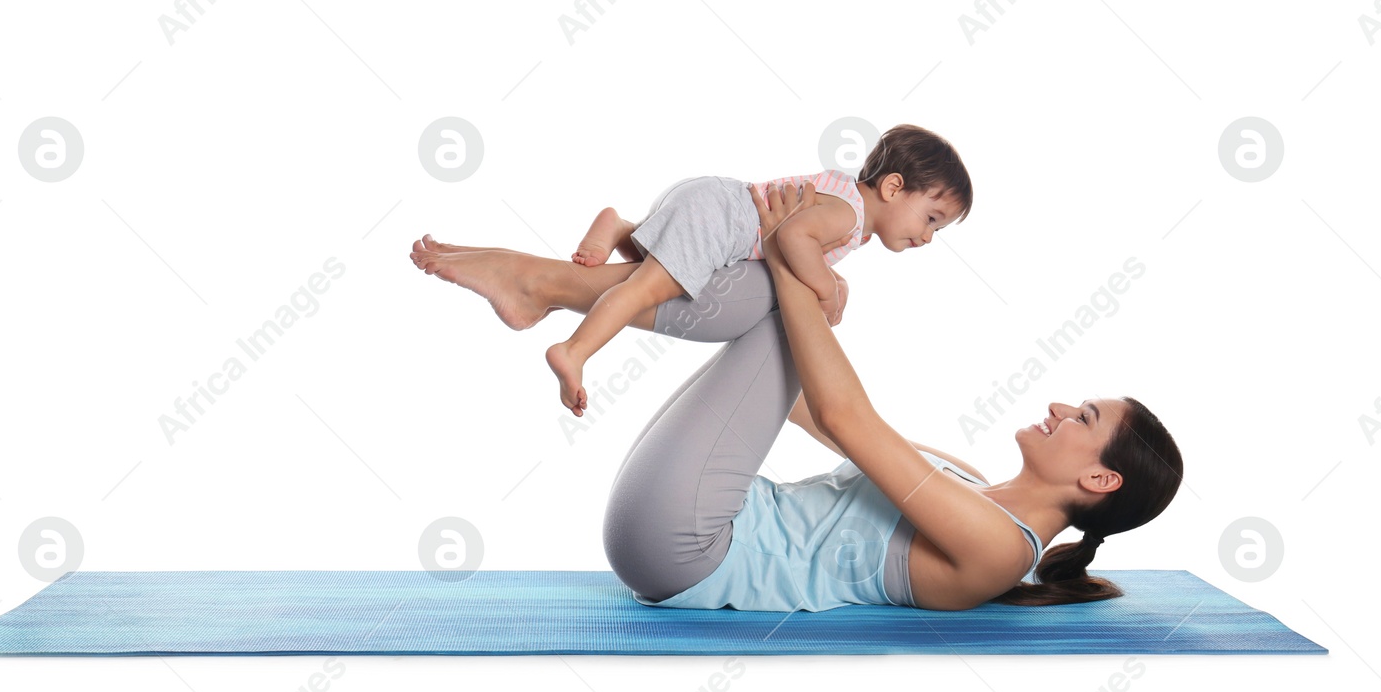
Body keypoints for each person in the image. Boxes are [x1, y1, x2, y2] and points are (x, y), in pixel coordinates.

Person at [407, 183, 1184, 611]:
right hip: (688, 516)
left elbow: (846, 413)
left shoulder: (998, 549)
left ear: (1100, 479)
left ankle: (548, 286)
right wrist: (797, 275)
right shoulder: (967, 479)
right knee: (765, 295)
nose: (1059, 407)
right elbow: (815, 408)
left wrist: (795, 260)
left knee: (778, 291)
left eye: (1083, 418)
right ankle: (541, 288)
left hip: (686, 550)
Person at [539, 124, 971, 417]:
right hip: (719, 220)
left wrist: (834, 280)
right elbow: (792, 237)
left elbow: (803, 239)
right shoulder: (850, 215)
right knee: (647, 288)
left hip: (714, 205)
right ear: (894, 188)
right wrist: (825, 287)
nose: (929, 236)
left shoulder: (847, 202)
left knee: (655, 263)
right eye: (931, 219)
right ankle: (574, 350)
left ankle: (623, 229)